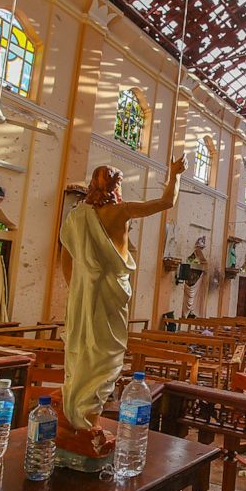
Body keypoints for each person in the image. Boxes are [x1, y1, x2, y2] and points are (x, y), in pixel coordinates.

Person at [59, 155, 187, 452]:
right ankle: (87, 418)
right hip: (112, 290)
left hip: (86, 292)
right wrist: (175, 174)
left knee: (84, 346)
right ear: (116, 187)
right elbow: (166, 202)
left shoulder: (77, 216)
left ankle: (79, 412)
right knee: (108, 352)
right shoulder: (122, 211)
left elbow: (67, 256)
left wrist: (79, 289)